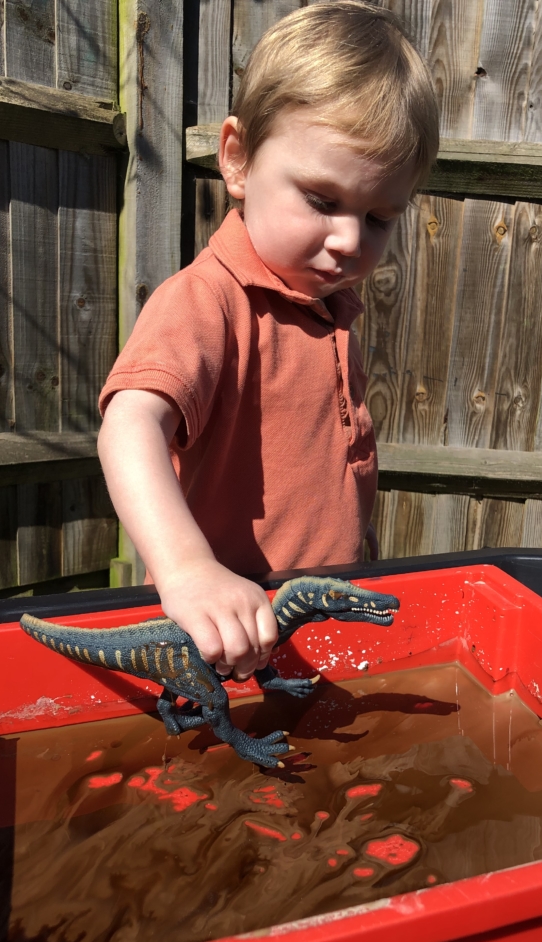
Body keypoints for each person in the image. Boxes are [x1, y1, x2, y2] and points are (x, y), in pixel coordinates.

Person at [97, 0, 439, 685]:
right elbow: (129, 424)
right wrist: (189, 570)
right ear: (239, 161)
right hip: (225, 643)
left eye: (378, 217)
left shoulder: (326, 309)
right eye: (321, 200)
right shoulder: (208, 299)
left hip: (313, 637)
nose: (349, 240)